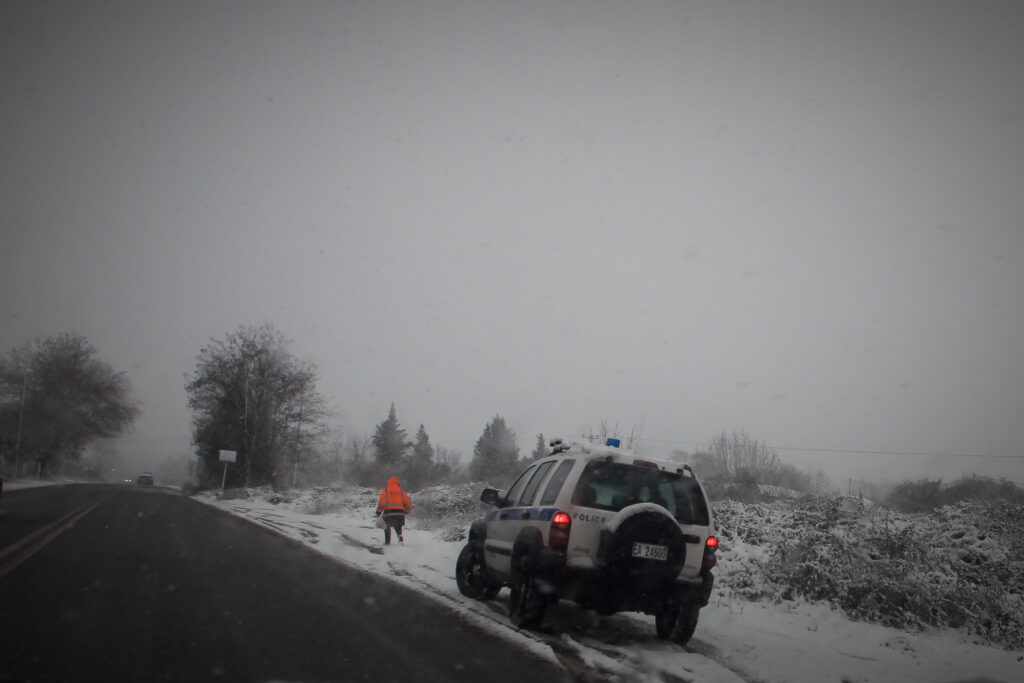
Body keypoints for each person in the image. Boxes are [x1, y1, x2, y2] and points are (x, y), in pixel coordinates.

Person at [375, 476, 412, 545]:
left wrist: (379, 511)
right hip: (400, 513)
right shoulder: (401, 492)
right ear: (397, 483)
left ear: (389, 483)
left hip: (388, 513)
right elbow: (407, 503)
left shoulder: (386, 491)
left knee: (387, 527)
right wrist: (407, 510)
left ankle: (387, 542)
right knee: (398, 526)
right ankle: (400, 538)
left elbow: (382, 503)